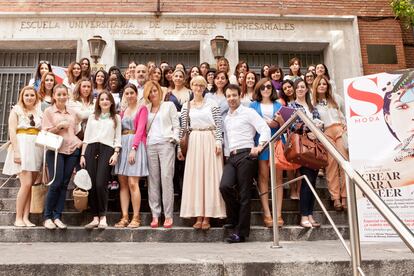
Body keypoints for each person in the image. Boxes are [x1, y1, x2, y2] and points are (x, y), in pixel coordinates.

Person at [220, 84, 271, 243]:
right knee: (225, 186)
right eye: (228, 96)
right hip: (232, 157)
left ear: (239, 95)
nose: (231, 98)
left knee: (244, 194)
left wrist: (259, 146)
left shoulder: (249, 112)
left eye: (234, 95)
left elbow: (264, 129)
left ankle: (240, 233)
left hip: (246, 155)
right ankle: (235, 219)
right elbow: (227, 140)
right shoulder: (226, 117)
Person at [178, 76, 226, 230]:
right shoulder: (186, 106)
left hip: (210, 139)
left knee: (210, 177)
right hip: (194, 140)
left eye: (201, 85)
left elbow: (219, 125)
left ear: (205, 87)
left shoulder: (212, 104)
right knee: (196, 178)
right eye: (195, 85)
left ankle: (208, 216)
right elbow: (183, 128)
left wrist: (219, 141)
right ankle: (198, 215)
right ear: (191, 86)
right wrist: (180, 147)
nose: (198, 88)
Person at [42, 84, 82, 229]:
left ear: (68, 95)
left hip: (72, 151)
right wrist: (58, 127)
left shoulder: (72, 112)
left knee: (65, 184)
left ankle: (58, 216)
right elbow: (44, 132)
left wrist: (79, 143)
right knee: (56, 183)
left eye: (64, 94)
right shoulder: (48, 111)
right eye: (58, 94)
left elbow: (75, 130)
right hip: (55, 150)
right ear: (54, 96)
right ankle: (47, 217)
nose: (61, 97)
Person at [81, 91, 122, 229]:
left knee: (100, 183)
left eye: (107, 99)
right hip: (91, 149)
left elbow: (117, 138)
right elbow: (86, 138)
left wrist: (115, 153)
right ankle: (95, 217)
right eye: (102, 99)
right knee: (91, 184)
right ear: (98, 102)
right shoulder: (93, 117)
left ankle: (103, 216)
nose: (104, 101)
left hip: (107, 149)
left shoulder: (116, 117)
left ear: (111, 102)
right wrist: (82, 155)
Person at [3, 86, 43, 227]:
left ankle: (26, 217)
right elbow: (12, 132)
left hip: (36, 148)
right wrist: (16, 152)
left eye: (32, 95)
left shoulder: (39, 112)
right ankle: (18, 217)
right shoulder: (16, 110)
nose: (29, 97)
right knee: (25, 184)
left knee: (30, 185)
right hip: (22, 146)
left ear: (36, 97)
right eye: (26, 95)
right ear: (22, 96)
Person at [249, 78, 284, 227]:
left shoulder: (279, 104)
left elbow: (286, 126)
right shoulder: (253, 105)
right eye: (262, 87)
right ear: (258, 89)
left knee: (278, 179)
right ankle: (267, 213)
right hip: (261, 143)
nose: (266, 89)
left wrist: (280, 121)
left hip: (277, 142)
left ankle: (279, 214)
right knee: (263, 178)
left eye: (269, 87)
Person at [289, 79, 323, 228]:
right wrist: (307, 129)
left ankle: (310, 214)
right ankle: (304, 215)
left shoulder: (312, 107)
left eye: (303, 87)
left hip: (315, 145)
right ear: (295, 90)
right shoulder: (292, 106)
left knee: (313, 182)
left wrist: (317, 129)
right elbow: (291, 125)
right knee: (307, 180)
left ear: (307, 90)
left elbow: (320, 123)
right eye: (298, 87)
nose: (301, 89)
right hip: (302, 147)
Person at [145, 80, 179, 228]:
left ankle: (168, 215)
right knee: (153, 180)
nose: (153, 94)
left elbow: (176, 125)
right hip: (150, 145)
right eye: (150, 91)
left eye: (155, 90)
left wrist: (174, 138)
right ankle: (155, 215)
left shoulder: (168, 105)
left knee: (166, 178)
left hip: (166, 143)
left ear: (159, 91)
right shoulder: (145, 108)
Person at [113, 84, 149, 228]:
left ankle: (136, 217)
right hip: (123, 144)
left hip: (135, 145)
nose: (129, 95)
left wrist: (134, 148)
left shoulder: (142, 109)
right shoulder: (122, 111)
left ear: (136, 94)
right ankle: (124, 216)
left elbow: (140, 129)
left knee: (133, 183)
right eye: (126, 93)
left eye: (131, 93)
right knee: (123, 184)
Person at [313, 75, 348, 211]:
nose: (322, 86)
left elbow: (343, 114)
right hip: (326, 133)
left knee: (344, 164)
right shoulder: (314, 103)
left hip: (339, 130)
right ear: (316, 86)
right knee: (331, 166)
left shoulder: (335, 99)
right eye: (320, 84)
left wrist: (345, 126)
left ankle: (345, 196)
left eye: (325, 84)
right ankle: (335, 198)